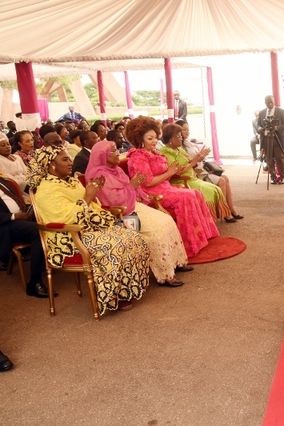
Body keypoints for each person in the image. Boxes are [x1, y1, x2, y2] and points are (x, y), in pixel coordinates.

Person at [30, 146, 151, 314]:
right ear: (52, 165)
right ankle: (112, 296)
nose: (70, 162)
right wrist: (88, 196)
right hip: (67, 237)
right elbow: (66, 218)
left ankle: (126, 289)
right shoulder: (46, 190)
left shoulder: (71, 181)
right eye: (64, 160)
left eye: (69, 158)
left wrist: (93, 195)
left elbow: (89, 207)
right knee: (113, 245)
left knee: (132, 238)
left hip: (87, 228)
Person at [86, 140, 190, 287]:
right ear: (103, 156)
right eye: (114, 151)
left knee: (166, 220)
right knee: (156, 231)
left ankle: (177, 262)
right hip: (120, 214)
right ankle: (166, 275)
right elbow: (113, 200)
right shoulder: (99, 175)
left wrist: (133, 188)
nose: (118, 153)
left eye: (117, 150)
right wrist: (131, 186)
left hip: (133, 205)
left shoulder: (116, 170)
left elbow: (129, 190)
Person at [125, 116, 218, 258]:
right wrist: (170, 172)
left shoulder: (153, 153)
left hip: (165, 187)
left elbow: (164, 176)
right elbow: (148, 183)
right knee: (186, 196)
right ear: (139, 139)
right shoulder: (138, 157)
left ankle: (201, 238)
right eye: (150, 138)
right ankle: (188, 245)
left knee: (195, 193)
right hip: (150, 193)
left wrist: (172, 172)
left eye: (155, 137)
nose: (155, 141)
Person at [159, 124, 240, 222]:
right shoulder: (166, 153)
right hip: (182, 180)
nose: (181, 138)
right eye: (178, 136)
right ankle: (208, 220)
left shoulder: (179, 149)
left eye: (181, 135)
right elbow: (177, 171)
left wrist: (198, 158)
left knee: (216, 188)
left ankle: (211, 219)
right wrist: (195, 161)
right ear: (171, 139)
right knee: (210, 190)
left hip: (194, 176)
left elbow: (190, 162)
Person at [0, 173, 50, 298]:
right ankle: (35, 281)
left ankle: (51, 263)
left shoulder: (3, 181)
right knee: (36, 230)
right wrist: (14, 216)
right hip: (5, 224)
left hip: (21, 218)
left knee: (47, 221)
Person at [257, 95, 284, 184]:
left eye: (272, 102)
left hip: (277, 138)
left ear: (274, 101)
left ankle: (282, 176)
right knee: (269, 158)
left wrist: (277, 127)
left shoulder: (281, 111)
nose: (270, 104)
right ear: (265, 103)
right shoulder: (262, 112)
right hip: (266, 138)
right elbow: (258, 124)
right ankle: (273, 176)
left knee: (279, 158)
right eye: (268, 102)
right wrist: (259, 129)